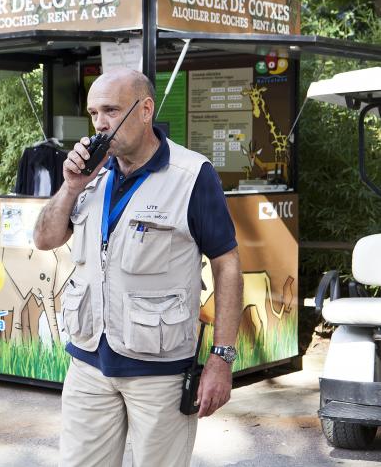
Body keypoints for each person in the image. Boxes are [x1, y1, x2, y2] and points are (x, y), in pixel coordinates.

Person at [33, 68, 243, 467]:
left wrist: (221, 358)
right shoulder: (90, 175)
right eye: (94, 113)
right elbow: (44, 238)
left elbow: (227, 264)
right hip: (88, 364)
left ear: (145, 110)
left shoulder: (192, 176)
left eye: (110, 110)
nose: (100, 124)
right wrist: (72, 185)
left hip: (160, 372)